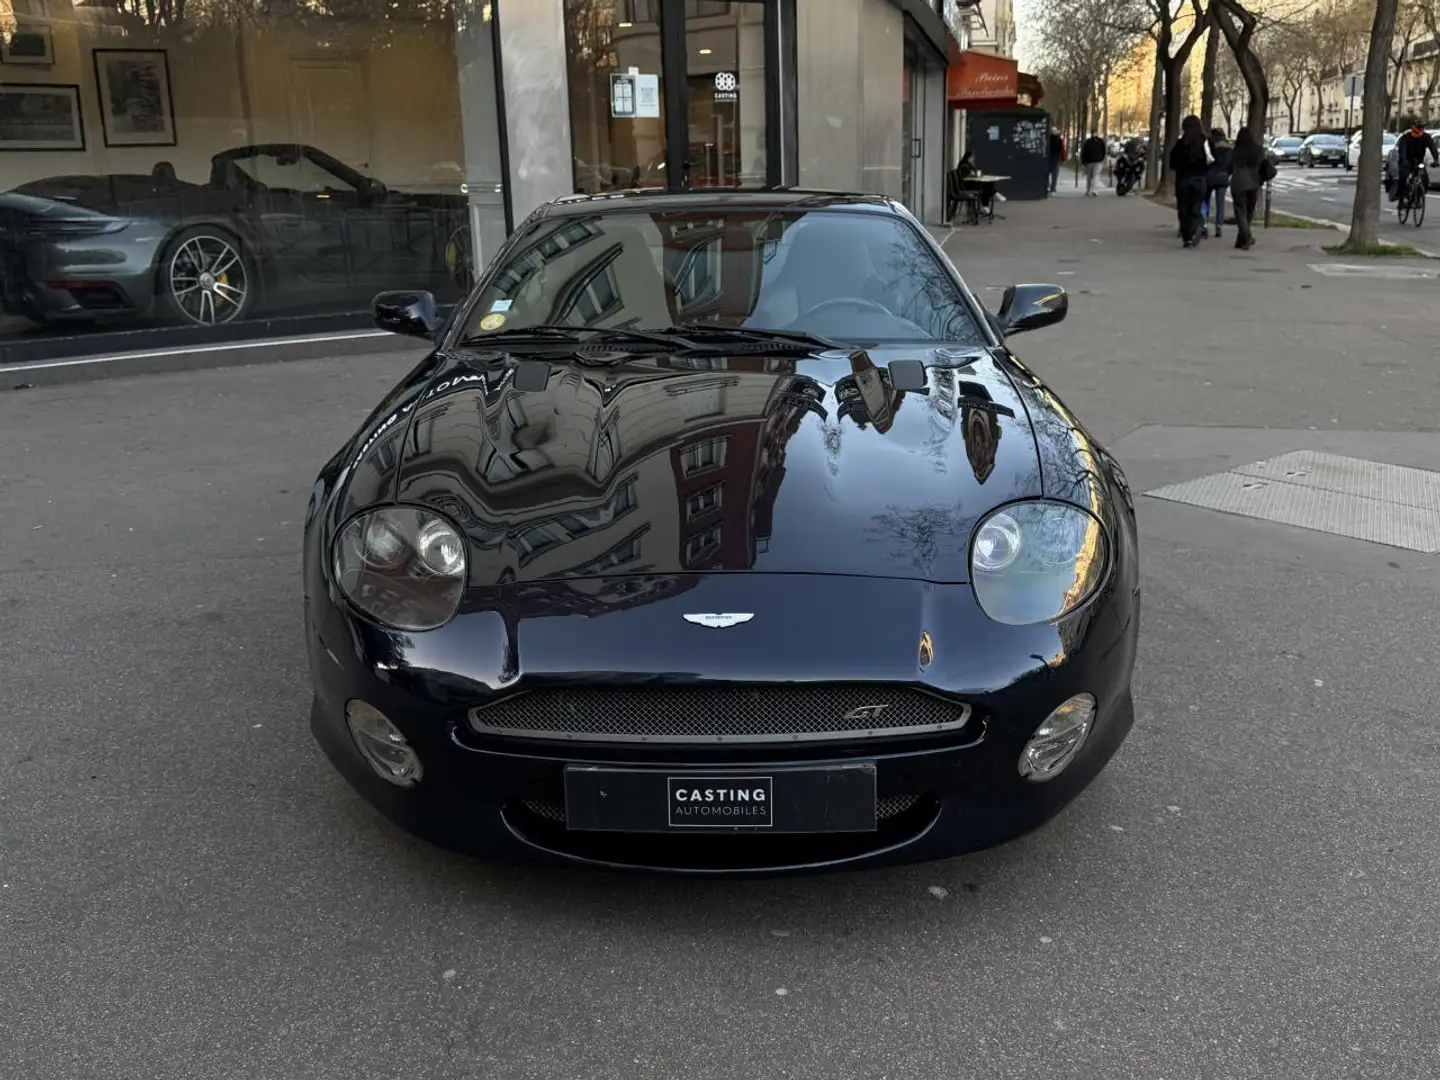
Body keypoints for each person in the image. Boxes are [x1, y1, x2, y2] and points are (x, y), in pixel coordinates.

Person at [1168, 115, 1212, 248]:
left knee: (1183, 210)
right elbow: (1211, 159)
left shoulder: (1181, 143)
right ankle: (1199, 225)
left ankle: (1187, 237)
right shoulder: (1205, 142)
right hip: (1199, 179)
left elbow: (1172, 162)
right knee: (1196, 206)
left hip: (1183, 180)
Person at [1228, 128, 1272, 251]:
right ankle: (1242, 240)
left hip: (1238, 184)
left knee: (1240, 211)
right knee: (1249, 212)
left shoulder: (1235, 152)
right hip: (1254, 183)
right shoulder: (1258, 151)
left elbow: (1228, 167)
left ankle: (1246, 237)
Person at [1392, 118, 1438, 206]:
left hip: (1419, 161)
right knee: (1404, 177)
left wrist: (1436, 160)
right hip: (1407, 160)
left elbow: (1433, 148)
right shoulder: (1407, 137)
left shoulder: (1426, 137)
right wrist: (1404, 160)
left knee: (1425, 180)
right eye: (1420, 127)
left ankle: (1418, 197)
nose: (1421, 130)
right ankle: (1401, 199)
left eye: (1423, 127)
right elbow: (1403, 149)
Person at [1202, 127, 1233, 238]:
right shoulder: (1229, 148)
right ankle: (1219, 226)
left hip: (1208, 177)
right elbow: (1231, 165)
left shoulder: (1208, 146)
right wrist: (1228, 174)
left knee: (1205, 201)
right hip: (1223, 177)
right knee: (1220, 203)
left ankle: (1204, 224)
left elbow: (1204, 161)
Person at [1081, 131, 1107, 196]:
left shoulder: (1088, 142)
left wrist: (1083, 162)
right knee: (1094, 176)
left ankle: (1090, 190)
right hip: (1096, 161)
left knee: (1091, 177)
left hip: (1091, 162)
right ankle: (1093, 190)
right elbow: (1104, 151)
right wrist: (1101, 158)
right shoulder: (1100, 141)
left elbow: (1083, 152)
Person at [1048, 127, 1065, 194]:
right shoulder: (1059, 140)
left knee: (1046, 174)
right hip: (1056, 159)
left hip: (1049, 158)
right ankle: (1053, 188)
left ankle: (1048, 186)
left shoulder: (1048, 139)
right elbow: (1062, 150)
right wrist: (1062, 159)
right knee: (1054, 175)